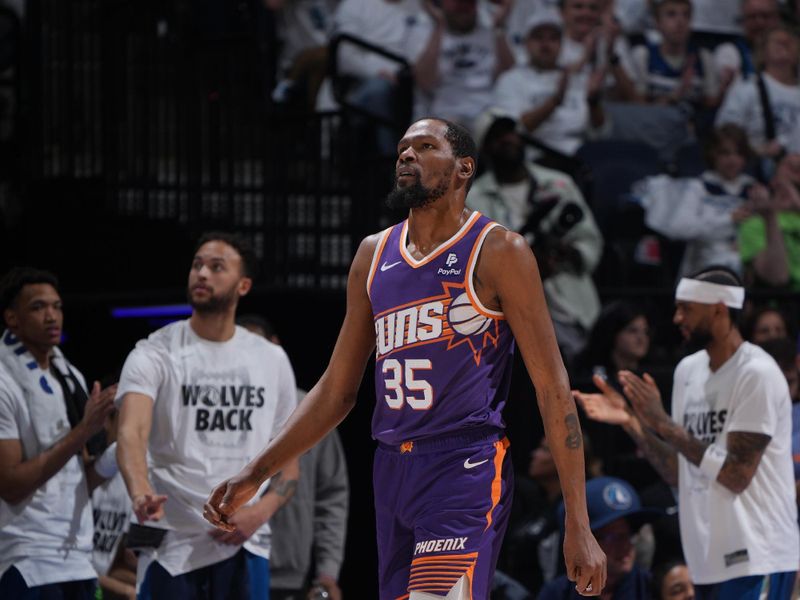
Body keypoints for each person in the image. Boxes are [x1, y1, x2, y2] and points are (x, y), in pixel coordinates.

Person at [204, 118, 607, 599]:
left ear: (463, 169)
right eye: (402, 148)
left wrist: (577, 522)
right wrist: (256, 471)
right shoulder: (373, 254)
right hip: (392, 470)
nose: (407, 155)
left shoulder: (499, 250)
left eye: (425, 146)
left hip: (465, 463)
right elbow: (337, 389)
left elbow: (551, 386)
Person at [575, 266, 800, 598]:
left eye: (687, 309)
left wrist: (664, 424)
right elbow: (683, 472)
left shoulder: (757, 374)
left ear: (719, 310)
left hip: (757, 556)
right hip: (706, 561)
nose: (678, 318)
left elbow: (736, 475)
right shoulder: (687, 372)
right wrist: (632, 423)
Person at [115, 233, 300, 599]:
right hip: (172, 542)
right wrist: (139, 492)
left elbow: (289, 461)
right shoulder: (154, 352)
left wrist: (260, 511)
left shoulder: (271, 359)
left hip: (245, 542)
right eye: (197, 264)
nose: (202, 274)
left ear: (243, 285)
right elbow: (131, 433)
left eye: (217, 267)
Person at [0, 267, 116, 599]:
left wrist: (121, 452)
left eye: (57, 306)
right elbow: (10, 485)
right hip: (26, 558)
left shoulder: (70, 377)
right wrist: (83, 430)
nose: (52, 316)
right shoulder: (4, 382)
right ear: (12, 318)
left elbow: (80, 478)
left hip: (78, 555)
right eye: (38, 307)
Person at [468, 113, 603, 360]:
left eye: (511, 133)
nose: (508, 140)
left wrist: (567, 253)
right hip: (512, 308)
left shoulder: (558, 183)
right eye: (497, 137)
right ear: (485, 147)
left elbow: (589, 239)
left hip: (566, 296)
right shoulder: (475, 198)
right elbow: (476, 259)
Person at [237, 314, 349, 600]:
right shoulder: (225, 409)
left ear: (275, 347)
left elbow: (331, 497)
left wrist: (327, 573)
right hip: (224, 559)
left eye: (257, 346)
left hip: (289, 574)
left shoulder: (310, 413)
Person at [492, 10, 607, 157]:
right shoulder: (511, 80)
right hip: (535, 154)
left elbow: (600, 131)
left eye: (553, 38)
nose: (545, 44)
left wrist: (593, 102)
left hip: (580, 152)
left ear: (561, 44)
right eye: (538, 37)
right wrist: (554, 102)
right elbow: (513, 130)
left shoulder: (576, 79)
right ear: (526, 43)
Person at [538, 476, 656, 600]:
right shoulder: (558, 594)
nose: (625, 545)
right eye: (612, 538)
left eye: (627, 535)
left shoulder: (650, 588)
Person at [411, 0, 515, 133]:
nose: (464, 10)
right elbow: (425, 81)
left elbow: (508, 76)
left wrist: (499, 27)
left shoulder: (490, 28)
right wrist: (439, 26)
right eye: (458, 6)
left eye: (468, 5)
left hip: (487, 113)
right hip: (445, 114)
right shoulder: (425, 29)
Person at [629, 0, 723, 108]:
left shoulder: (703, 58)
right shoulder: (643, 55)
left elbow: (710, 105)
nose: (680, 22)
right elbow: (639, 108)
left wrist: (724, 87)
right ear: (657, 23)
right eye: (671, 14)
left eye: (686, 15)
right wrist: (678, 93)